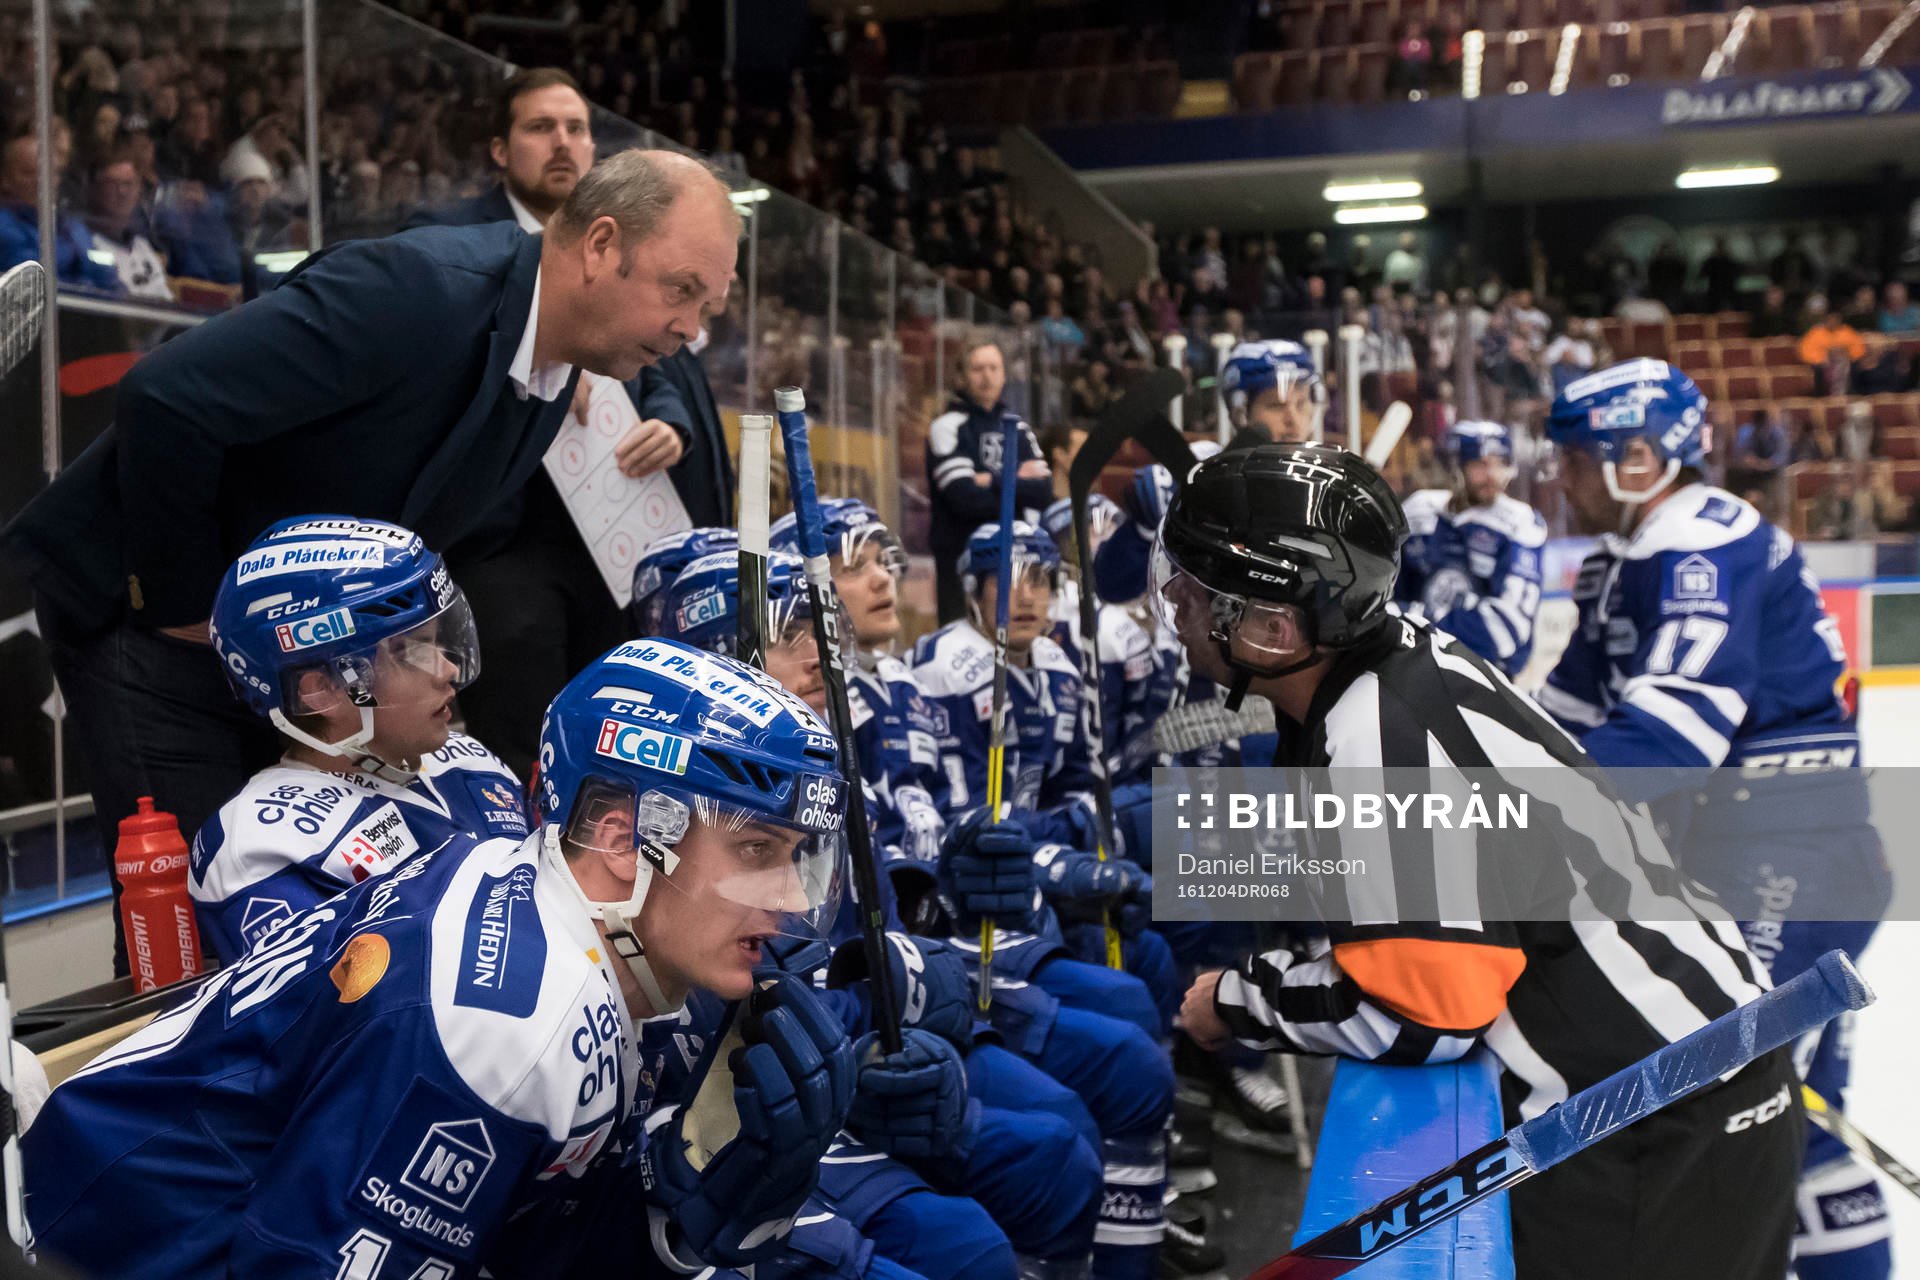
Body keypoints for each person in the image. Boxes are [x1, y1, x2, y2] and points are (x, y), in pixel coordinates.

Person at [3, 147, 740, 975]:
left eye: (708, 306)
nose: (692, 330)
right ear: (601, 246)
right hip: (148, 622)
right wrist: (185, 608)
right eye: (682, 291)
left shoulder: (553, 370)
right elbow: (164, 400)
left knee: (284, 927)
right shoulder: (416, 291)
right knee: (200, 943)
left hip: (283, 650)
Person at [23, 640, 858, 1279]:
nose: (790, 898)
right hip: (109, 1236)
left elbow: (536, 1232)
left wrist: (675, 1215)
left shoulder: (569, 920)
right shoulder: (504, 1026)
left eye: (799, 855)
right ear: (621, 841)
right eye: (756, 849)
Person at [1164, 443, 1799, 1280]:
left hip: (1655, 1124)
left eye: (1196, 589)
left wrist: (1238, 999)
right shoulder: (1393, 663)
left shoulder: (1375, 741)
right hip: (1693, 1085)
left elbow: (1426, 1014)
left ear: (1272, 629)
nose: (1173, 602)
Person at [1539, 360, 1892, 1280]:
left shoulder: (1698, 541)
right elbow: (1557, 726)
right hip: (1769, 851)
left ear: (1638, 458)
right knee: (1796, 1114)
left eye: (1575, 459)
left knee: (1752, 1111)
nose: (1562, 480)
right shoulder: (1626, 561)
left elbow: (1671, 734)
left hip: (1791, 855)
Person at [190, 516, 527, 962]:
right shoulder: (262, 845)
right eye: (411, 652)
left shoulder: (471, 761)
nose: (447, 670)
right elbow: (357, 1019)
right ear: (323, 690)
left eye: (438, 643)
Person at [1396, 420, 1547, 678]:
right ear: (1455, 466)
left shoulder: (1519, 523)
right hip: (1417, 673)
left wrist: (1415, 620)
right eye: (1480, 464)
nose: (1493, 475)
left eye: (1499, 463)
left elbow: (1505, 628)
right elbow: (1384, 598)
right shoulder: (1419, 510)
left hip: (1487, 677)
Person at [925, 339, 1054, 623]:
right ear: (961, 376)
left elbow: (1044, 491)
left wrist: (988, 479)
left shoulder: (1018, 429)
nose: (987, 376)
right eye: (978, 369)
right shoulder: (946, 427)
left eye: (994, 368)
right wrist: (1016, 478)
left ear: (1004, 374)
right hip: (960, 558)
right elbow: (963, 498)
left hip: (1014, 556)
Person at [0, 129, 120, 289]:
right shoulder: (5, 225)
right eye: (29, 173)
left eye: (50, 173)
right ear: (5, 179)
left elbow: (107, 270)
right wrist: (80, 258)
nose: (41, 182)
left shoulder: (72, 225)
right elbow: (35, 276)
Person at [1218, 340, 1325, 449]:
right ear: (1240, 414)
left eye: (1301, 404)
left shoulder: (1329, 464)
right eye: (1277, 406)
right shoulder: (1209, 461)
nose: (1294, 420)